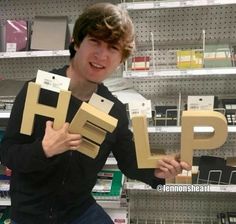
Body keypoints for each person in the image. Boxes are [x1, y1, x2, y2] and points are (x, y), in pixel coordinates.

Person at [0, 3, 190, 224]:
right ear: (76, 44)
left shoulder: (114, 110)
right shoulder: (39, 90)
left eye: (113, 48)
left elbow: (129, 162)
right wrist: (44, 149)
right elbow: (7, 152)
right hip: (30, 214)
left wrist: (156, 172)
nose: (102, 55)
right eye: (95, 41)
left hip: (79, 211)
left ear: (121, 59)